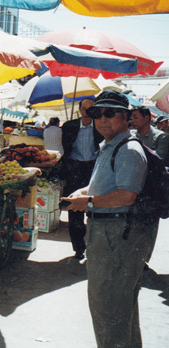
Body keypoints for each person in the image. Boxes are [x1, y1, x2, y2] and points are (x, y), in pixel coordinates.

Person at [62, 91, 149, 348]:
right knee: (120, 308)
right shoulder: (110, 145)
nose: (102, 119)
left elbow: (126, 195)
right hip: (108, 231)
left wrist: (87, 202)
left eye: (110, 113)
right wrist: (84, 192)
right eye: (96, 113)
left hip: (117, 234)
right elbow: (105, 185)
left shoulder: (128, 149)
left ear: (127, 118)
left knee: (108, 306)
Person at [60, 98, 104, 260]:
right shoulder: (69, 126)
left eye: (90, 109)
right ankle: (78, 247)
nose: (86, 112)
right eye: (84, 109)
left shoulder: (100, 127)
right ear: (79, 109)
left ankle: (95, 247)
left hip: (94, 170)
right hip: (75, 170)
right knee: (74, 209)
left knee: (94, 207)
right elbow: (64, 149)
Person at [130, 106, 168, 269]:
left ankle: (144, 258)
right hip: (135, 184)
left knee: (151, 223)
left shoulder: (161, 137)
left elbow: (158, 160)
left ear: (147, 118)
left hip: (153, 187)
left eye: (136, 117)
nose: (132, 120)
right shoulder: (132, 136)